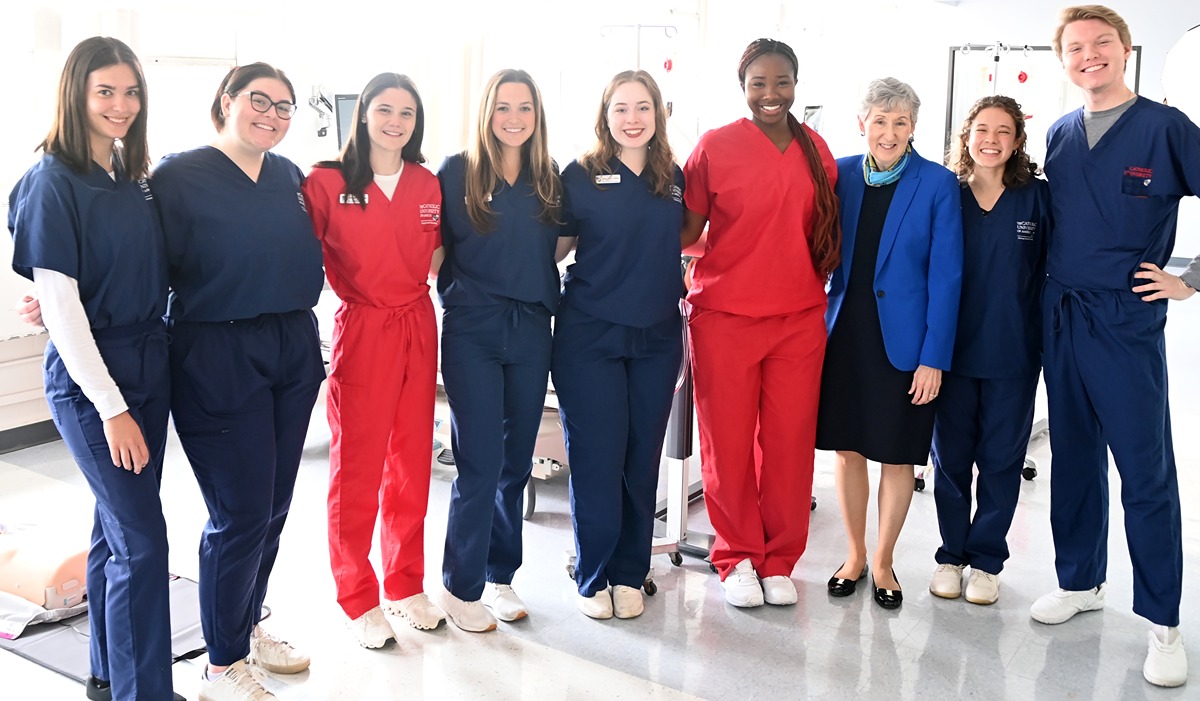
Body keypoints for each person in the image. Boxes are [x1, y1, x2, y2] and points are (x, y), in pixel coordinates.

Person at [7, 36, 185, 701]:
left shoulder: (132, 176)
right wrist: (111, 406)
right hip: (94, 381)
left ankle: (108, 674)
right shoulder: (52, 179)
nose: (120, 105)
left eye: (131, 91)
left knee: (117, 530)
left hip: (150, 361)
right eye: (104, 91)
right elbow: (64, 310)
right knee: (144, 542)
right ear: (76, 94)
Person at [1030, 5, 1200, 688]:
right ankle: (1081, 580)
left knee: (1145, 470)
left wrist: (1191, 278)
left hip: (1126, 323)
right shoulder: (1061, 133)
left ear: (1126, 51)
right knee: (1071, 458)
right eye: (1076, 46)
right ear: (1063, 59)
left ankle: (1163, 619)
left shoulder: (1167, 128)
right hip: (1062, 315)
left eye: (1103, 43)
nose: (1089, 54)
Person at [152, 63, 326, 700]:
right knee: (241, 510)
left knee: (275, 506)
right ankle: (220, 664)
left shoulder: (288, 177)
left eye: (285, 107)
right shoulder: (179, 175)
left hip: (291, 343)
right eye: (260, 101)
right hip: (216, 348)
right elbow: (138, 257)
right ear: (226, 100)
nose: (273, 116)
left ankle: (248, 624)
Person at [679, 39, 841, 609]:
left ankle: (779, 559)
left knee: (790, 445)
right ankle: (737, 556)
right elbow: (685, 232)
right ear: (742, 87)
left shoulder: (816, 149)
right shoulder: (715, 147)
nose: (770, 94)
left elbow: (820, 233)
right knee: (726, 445)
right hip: (724, 316)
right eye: (758, 84)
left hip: (798, 319)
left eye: (782, 82)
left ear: (796, 84)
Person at [303, 73, 446, 648]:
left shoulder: (427, 183)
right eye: (384, 109)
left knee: (412, 463)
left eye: (407, 113)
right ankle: (357, 594)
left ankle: (405, 583)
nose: (395, 121)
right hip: (363, 328)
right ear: (362, 114)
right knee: (357, 468)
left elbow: (437, 257)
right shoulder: (326, 181)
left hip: (418, 322)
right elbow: (288, 254)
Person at [816, 77, 963, 611]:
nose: (889, 131)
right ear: (862, 124)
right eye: (879, 120)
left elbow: (948, 278)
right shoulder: (843, 174)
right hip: (845, 333)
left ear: (913, 128)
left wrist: (934, 358)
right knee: (849, 450)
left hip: (904, 343)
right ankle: (853, 555)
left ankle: (883, 560)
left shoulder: (937, 183)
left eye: (900, 122)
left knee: (898, 457)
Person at [435, 69, 563, 632]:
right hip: (473, 328)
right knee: (480, 460)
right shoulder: (456, 171)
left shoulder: (549, 177)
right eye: (503, 107)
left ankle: (499, 576)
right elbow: (434, 249)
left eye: (525, 108)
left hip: (532, 327)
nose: (514, 118)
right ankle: (460, 587)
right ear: (487, 112)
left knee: (515, 463)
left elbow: (558, 246)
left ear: (538, 115)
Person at [554, 70, 684, 620]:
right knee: (596, 458)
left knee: (641, 457)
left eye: (643, 108)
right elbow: (554, 249)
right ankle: (593, 574)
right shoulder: (579, 175)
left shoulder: (673, 177)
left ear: (659, 114)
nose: (633, 119)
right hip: (591, 334)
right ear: (605, 115)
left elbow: (687, 239)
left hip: (656, 336)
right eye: (621, 108)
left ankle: (631, 571)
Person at [928, 95, 1049, 606]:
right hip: (949, 353)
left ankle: (986, 562)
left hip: (1013, 352)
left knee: (1001, 460)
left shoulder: (1037, 199)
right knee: (950, 459)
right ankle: (951, 556)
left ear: (1018, 140)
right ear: (966, 135)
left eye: (1003, 131)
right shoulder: (945, 194)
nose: (991, 140)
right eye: (982, 129)